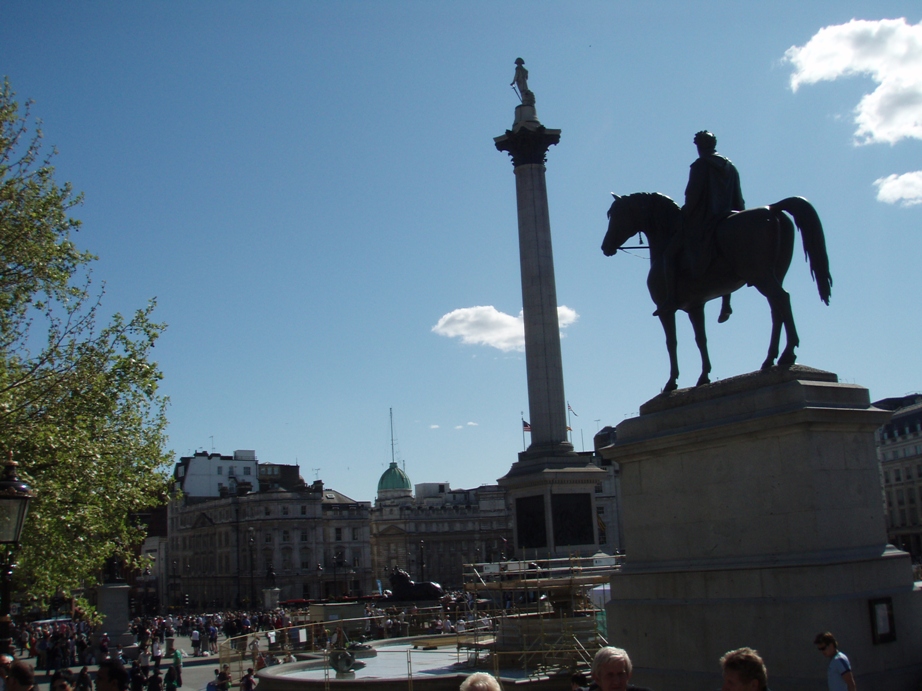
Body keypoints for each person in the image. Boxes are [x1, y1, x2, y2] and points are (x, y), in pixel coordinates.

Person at [664, 130, 745, 322]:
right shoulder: (730, 166)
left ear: (700, 146)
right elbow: (738, 197)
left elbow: (692, 195)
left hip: (705, 220)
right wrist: (740, 216)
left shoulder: (701, 165)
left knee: (669, 254)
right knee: (728, 255)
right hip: (728, 216)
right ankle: (726, 303)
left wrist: (683, 215)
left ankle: (670, 299)